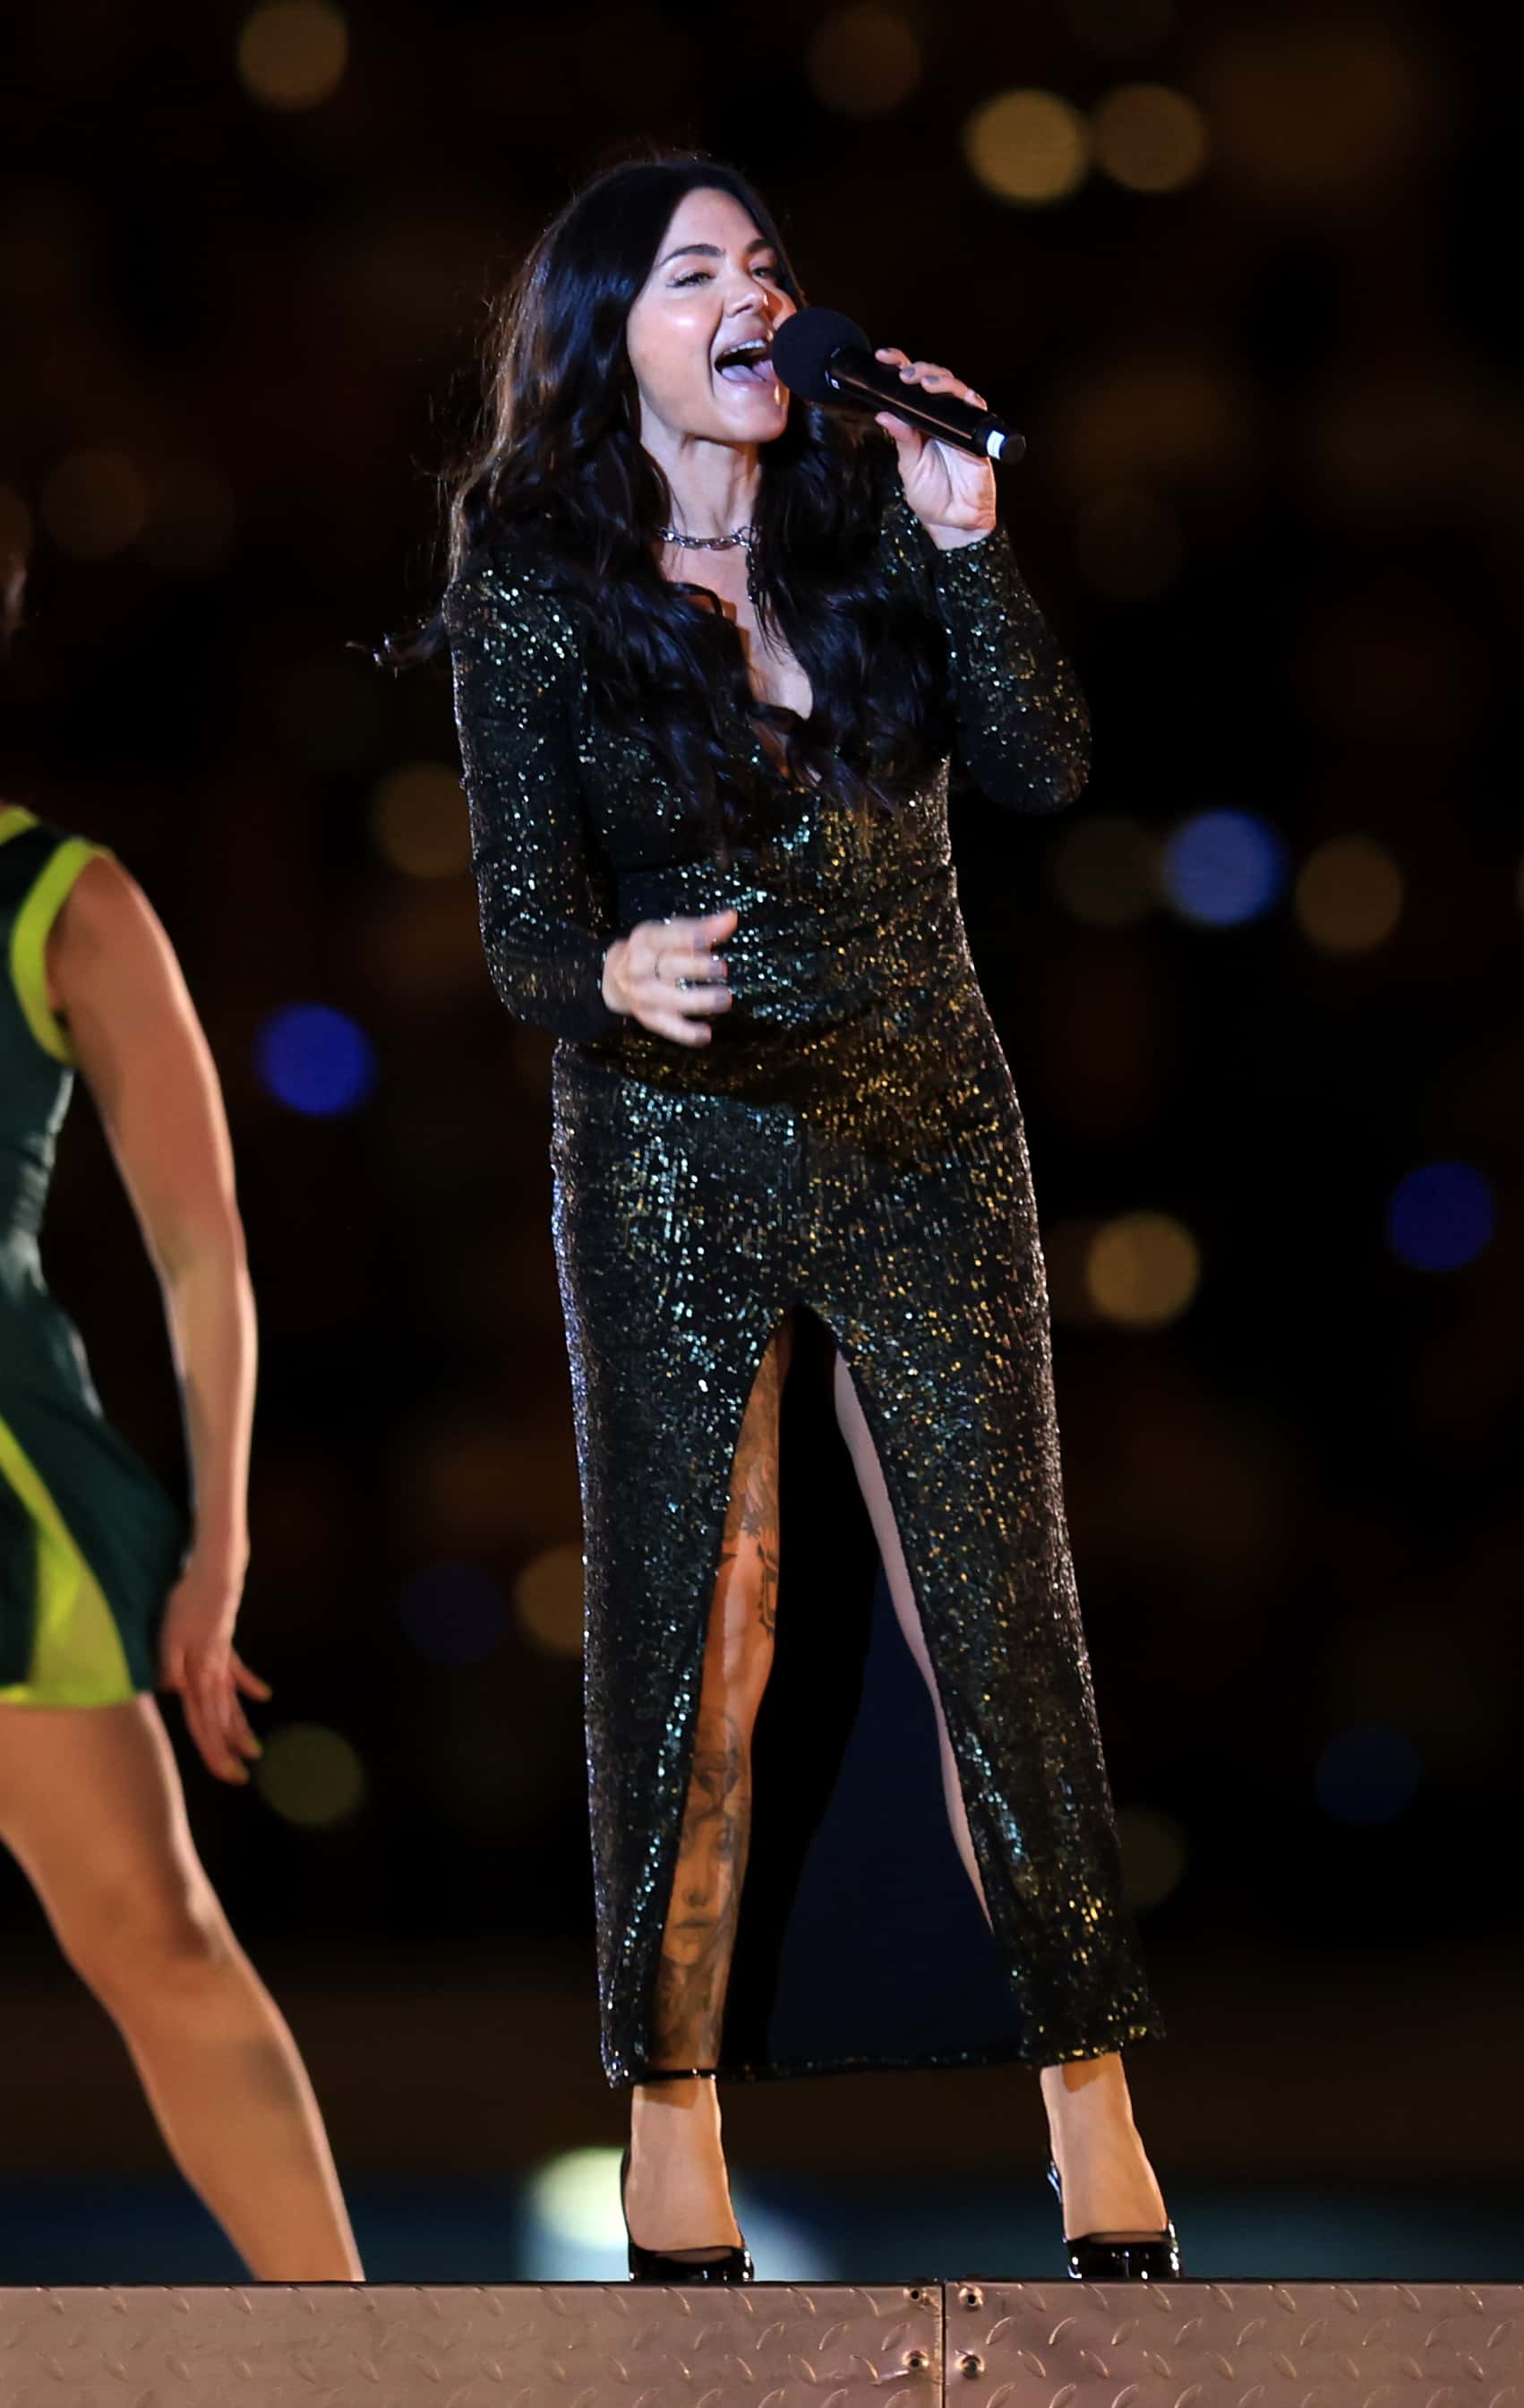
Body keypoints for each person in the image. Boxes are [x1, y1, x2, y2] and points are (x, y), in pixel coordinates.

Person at [427, 152, 1177, 2283]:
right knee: (708, 1624)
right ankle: (672, 2116)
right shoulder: (534, 563)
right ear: (612, 335)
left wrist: (970, 549)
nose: (754, 297)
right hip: (675, 1132)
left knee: (997, 1614)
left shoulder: (871, 510)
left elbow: (1038, 763)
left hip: (926, 1110)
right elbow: (517, 924)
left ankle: (1094, 2111)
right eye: (697, 273)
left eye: (767, 264)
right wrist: (606, 981)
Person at [0, 793, 363, 2282]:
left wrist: (219, 1543)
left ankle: (348, 2365)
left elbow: (201, 1241)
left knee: (157, 1935)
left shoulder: (60, 896)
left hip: (9, 1488)